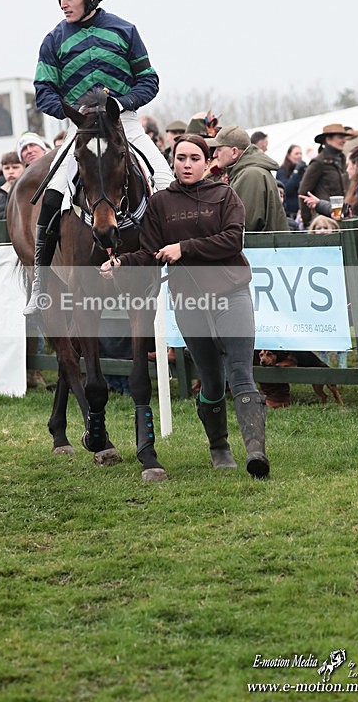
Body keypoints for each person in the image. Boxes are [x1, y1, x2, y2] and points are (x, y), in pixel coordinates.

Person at [100, 134, 270, 478]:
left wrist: (184, 248)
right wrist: (120, 263)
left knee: (240, 373)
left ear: (208, 163)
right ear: (173, 162)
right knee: (209, 380)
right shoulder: (161, 203)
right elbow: (149, 252)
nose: (187, 164)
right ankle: (219, 447)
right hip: (189, 301)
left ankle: (255, 452)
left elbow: (231, 240)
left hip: (232, 294)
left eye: (195, 158)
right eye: (181, 158)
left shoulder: (225, 195)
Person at [26, 0, 174, 314]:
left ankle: (176, 270)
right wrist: (75, 113)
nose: (63, 2)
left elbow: (148, 80)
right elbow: (43, 91)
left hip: (125, 122)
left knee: (167, 181)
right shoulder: (53, 40)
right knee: (53, 194)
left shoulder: (125, 30)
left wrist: (122, 102)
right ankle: (39, 282)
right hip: (81, 127)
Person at [212, 125, 289, 232]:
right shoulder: (248, 172)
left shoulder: (250, 175)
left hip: (259, 247)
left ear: (234, 152)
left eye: (218, 149)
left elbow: (243, 226)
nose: (214, 154)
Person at [299, 144, 358, 225]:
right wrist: (319, 204)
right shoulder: (356, 187)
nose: (346, 170)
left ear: (357, 165)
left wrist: (352, 219)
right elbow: (345, 212)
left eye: (348, 165)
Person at [298, 124, 349, 228]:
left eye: (344, 138)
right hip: (324, 222)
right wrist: (307, 222)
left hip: (341, 218)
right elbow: (304, 192)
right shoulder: (318, 162)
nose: (344, 141)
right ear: (328, 139)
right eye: (340, 137)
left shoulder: (342, 159)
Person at [276, 144, 306, 218]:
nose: (299, 156)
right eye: (296, 154)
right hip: (289, 213)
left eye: (300, 153)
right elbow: (286, 189)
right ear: (289, 156)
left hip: (301, 212)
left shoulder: (303, 171)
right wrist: (296, 172)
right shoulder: (282, 170)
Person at [0, 151, 25, 217]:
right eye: (6, 168)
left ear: (24, 167)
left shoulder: (33, 192)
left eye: (15, 167)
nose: (11, 172)